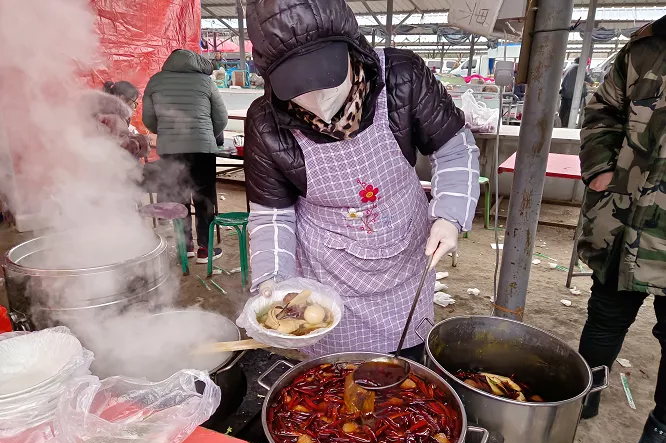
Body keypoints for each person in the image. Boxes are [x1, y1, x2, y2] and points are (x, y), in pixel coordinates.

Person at [244, 0, 480, 359]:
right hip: (329, 272)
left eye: (323, 76)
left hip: (405, 252)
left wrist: (449, 215)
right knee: (336, 374)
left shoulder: (401, 76)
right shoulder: (265, 121)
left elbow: (454, 148)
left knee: (407, 366)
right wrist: (272, 278)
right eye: (296, 85)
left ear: (351, 47)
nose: (315, 98)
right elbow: (272, 214)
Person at [577, 16, 666, 443]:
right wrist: (600, 171)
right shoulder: (647, 51)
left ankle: (662, 429)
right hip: (625, 218)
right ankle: (585, 393)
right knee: (607, 312)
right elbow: (601, 111)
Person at [142, 49, 228, 262]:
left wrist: (166, 132)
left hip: (171, 149)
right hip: (202, 148)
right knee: (204, 197)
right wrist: (209, 133)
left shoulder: (156, 81)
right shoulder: (205, 82)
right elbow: (222, 118)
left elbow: (149, 120)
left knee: (179, 197)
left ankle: (185, 247)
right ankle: (205, 250)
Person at [81, 81, 149, 160]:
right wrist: (139, 146)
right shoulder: (115, 119)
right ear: (122, 98)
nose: (135, 107)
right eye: (134, 102)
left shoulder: (97, 111)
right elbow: (123, 149)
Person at [559, 57, 593, 127]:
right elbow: (589, 79)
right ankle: (567, 124)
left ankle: (562, 123)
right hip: (572, 93)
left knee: (564, 109)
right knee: (571, 109)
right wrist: (592, 83)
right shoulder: (579, 67)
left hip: (565, 91)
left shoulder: (570, 66)